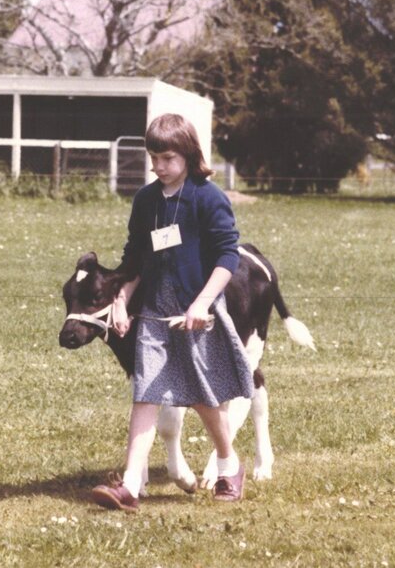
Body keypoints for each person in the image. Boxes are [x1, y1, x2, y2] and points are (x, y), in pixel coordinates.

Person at [91, 113, 253, 512]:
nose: (159, 166)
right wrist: (122, 299)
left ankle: (229, 465)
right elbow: (135, 257)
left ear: (188, 154)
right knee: (145, 392)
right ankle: (130, 485)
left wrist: (201, 303)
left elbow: (228, 256)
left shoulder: (207, 196)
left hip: (195, 309)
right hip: (154, 311)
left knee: (203, 396)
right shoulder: (146, 200)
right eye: (154, 158)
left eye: (167, 158)